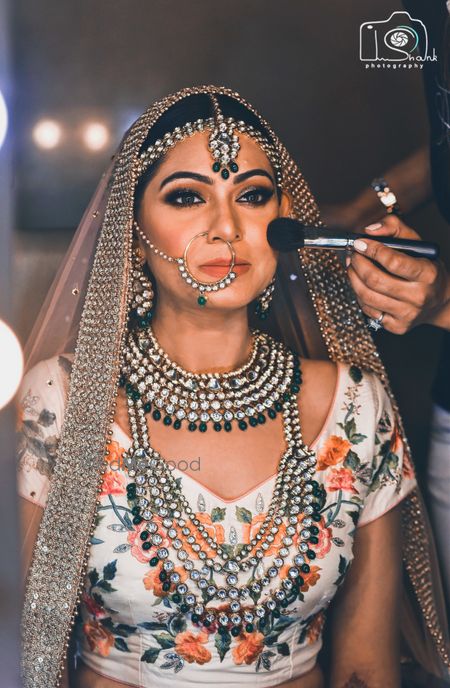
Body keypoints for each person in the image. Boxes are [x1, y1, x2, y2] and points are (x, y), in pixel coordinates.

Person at [16, 86, 450, 688]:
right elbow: (35, 657)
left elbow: (365, 667)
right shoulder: (64, 401)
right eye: (188, 197)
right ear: (133, 235)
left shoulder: (355, 407)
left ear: (283, 222)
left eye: (251, 195)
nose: (226, 227)